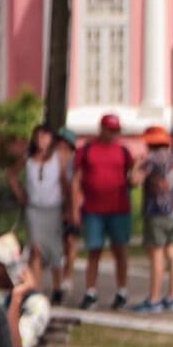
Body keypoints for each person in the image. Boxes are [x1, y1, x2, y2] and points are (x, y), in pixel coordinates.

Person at [74, 113, 135, 310]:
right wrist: (75, 205)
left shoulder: (123, 152)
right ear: (102, 129)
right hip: (93, 209)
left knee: (120, 250)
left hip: (118, 208)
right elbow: (77, 178)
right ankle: (91, 291)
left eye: (116, 131)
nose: (113, 134)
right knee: (94, 250)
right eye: (111, 130)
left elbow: (131, 175)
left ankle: (122, 291)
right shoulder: (87, 150)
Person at [10, 124, 72, 305]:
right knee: (36, 248)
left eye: (45, 137)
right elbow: (12, 175)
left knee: (54, 249)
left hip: (53, 208)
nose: (41, 141)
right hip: (35, 209)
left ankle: (58, 286)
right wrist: (21, 194)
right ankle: (35, 288)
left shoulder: (57, 158)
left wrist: (68, 207)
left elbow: (64, 183)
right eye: (38, 137)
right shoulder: (28, 159)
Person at [132, 126, 173, 314]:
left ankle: (154, 299)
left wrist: (136, 166)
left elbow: (134, 181)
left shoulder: (151, 160)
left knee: (156, 255)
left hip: (156, 213)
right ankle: (172, 298)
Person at [56, 127, 81, 297]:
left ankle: (67, 276)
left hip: (71, 206)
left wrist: (73, 210)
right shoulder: (50, 161)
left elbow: (73, 186)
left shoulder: (73, 163)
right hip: (54, 206)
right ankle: (58, 279)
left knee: (70, 241)